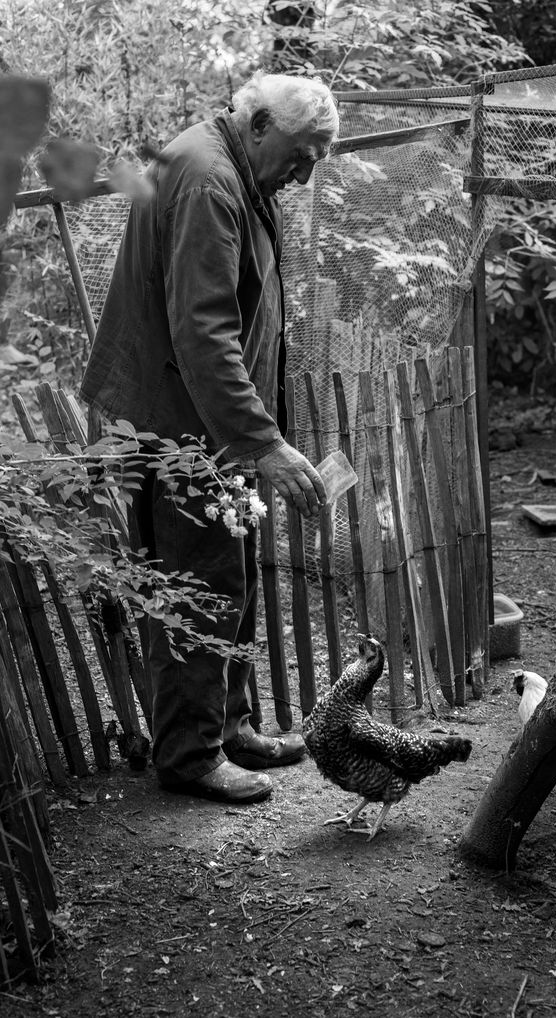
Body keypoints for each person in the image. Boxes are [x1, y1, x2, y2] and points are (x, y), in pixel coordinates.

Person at [80, 73, 340, 804]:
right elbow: (203, 334)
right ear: (259, 126)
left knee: (228, 573)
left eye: (319, 154)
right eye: (302, 150)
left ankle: (229, 725)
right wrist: (262, 441)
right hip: (178, 420)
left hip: (206, 421)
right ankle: (190, 757)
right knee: (197, 584)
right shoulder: (207, 181)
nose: (307, 168)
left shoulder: (229, 164)